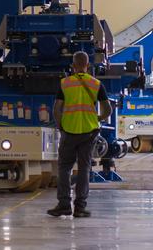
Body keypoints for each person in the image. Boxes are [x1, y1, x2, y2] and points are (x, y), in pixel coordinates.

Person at [47, 52, 112, 219]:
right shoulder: (96, 84)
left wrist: (61, 125)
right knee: (84, 168)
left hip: (69, 131)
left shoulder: (65, 83)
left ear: (73, 65)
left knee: (64, 168)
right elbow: (108, 110)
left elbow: (56, 109)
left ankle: (63, 205)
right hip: (89, 132)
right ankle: (80, 208)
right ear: (88, 65)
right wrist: (97, 118)